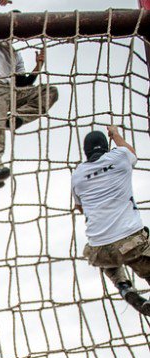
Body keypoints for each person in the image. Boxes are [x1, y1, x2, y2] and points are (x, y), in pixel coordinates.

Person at [0, 0, 59, 188]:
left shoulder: (15, 55)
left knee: (49, 92)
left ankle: (16, 120)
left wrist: (38, 67)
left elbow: (23, 83)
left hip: (11, 91)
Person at [72, 125, 150, 316]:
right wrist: (115, 134)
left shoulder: (78, 174)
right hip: (131, 242)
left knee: (106, 256)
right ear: (106, 147)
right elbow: (132, 153)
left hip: (99, 249)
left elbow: (80, 207)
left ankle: (124, 287)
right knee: (140, 255)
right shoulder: (120, 157)